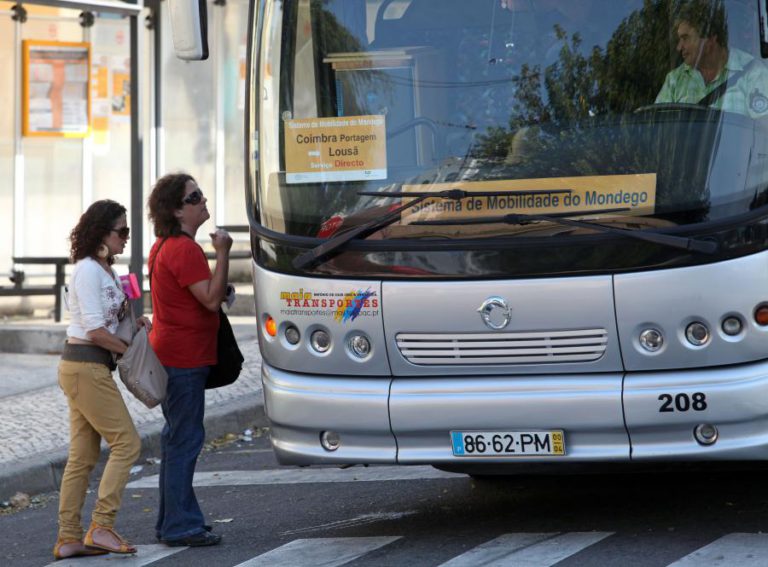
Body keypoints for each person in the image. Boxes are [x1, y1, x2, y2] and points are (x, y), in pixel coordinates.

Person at [54, 199, 151, 560]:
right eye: (122, 231)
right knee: (127, 443)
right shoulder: (87, 271)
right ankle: (102, 526)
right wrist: (128, 351)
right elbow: (94, 330)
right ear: (102, 233)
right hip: (86, 366)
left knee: (83, 456)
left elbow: (107, 322)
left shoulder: (105, 268)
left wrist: (133, 325)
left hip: (89, 368)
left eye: (128, 231)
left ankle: (68, 538)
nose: (127, 237)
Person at [147, 173, 232, 547]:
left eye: (200, 194)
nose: (203, 200)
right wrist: (224, 252)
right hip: (183, 359)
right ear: (176, 210)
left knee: (176, 440)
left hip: (172, 355)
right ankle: (180, 526)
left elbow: (199, 296)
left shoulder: (164, 246)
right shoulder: (183, 249)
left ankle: (174, 522)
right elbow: (211, 300)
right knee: (184, 441)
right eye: (194, 197)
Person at [655, 0, 768, 118]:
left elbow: (762, 128)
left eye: (685, 38)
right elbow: (658, 130)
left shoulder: (754, 73)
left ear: (710, 39)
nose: (679, 47)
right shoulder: (674, 80)